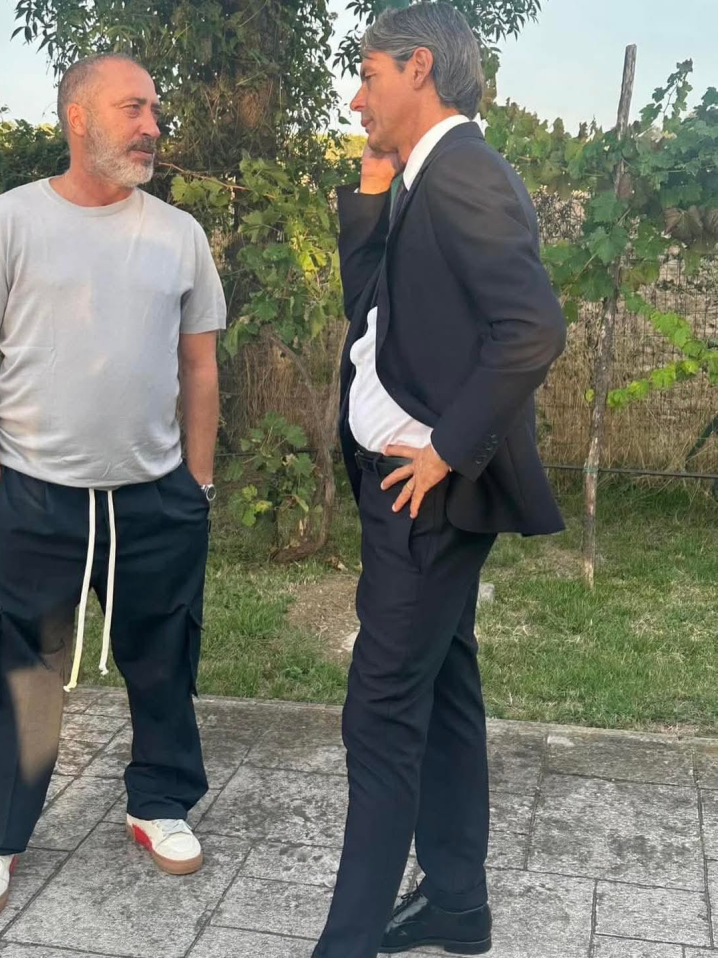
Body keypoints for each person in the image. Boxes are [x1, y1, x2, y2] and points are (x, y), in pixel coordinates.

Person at [0, 52, 225, 921]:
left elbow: (200, 365)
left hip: (155, 498)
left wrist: (199, 484)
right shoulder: (9, 222)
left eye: (154, 110)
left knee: (164, 658)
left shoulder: (178, 235)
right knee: (16, 675)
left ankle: (159, 802)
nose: (152, 127)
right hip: (33, 497)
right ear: (78, 117)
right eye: (133, 108)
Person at [312, 5, 566, 957]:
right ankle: (457, 904)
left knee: (379, 715)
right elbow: (374, 316)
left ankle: (346, 941)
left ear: (418, 68)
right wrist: (372, 193)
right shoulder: (423, 175)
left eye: (369, 75)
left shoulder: (463, 172)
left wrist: (447, 450)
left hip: (425, 493)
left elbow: (532, 329)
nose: (357, 97)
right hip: (408, 490)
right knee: (445, 694)